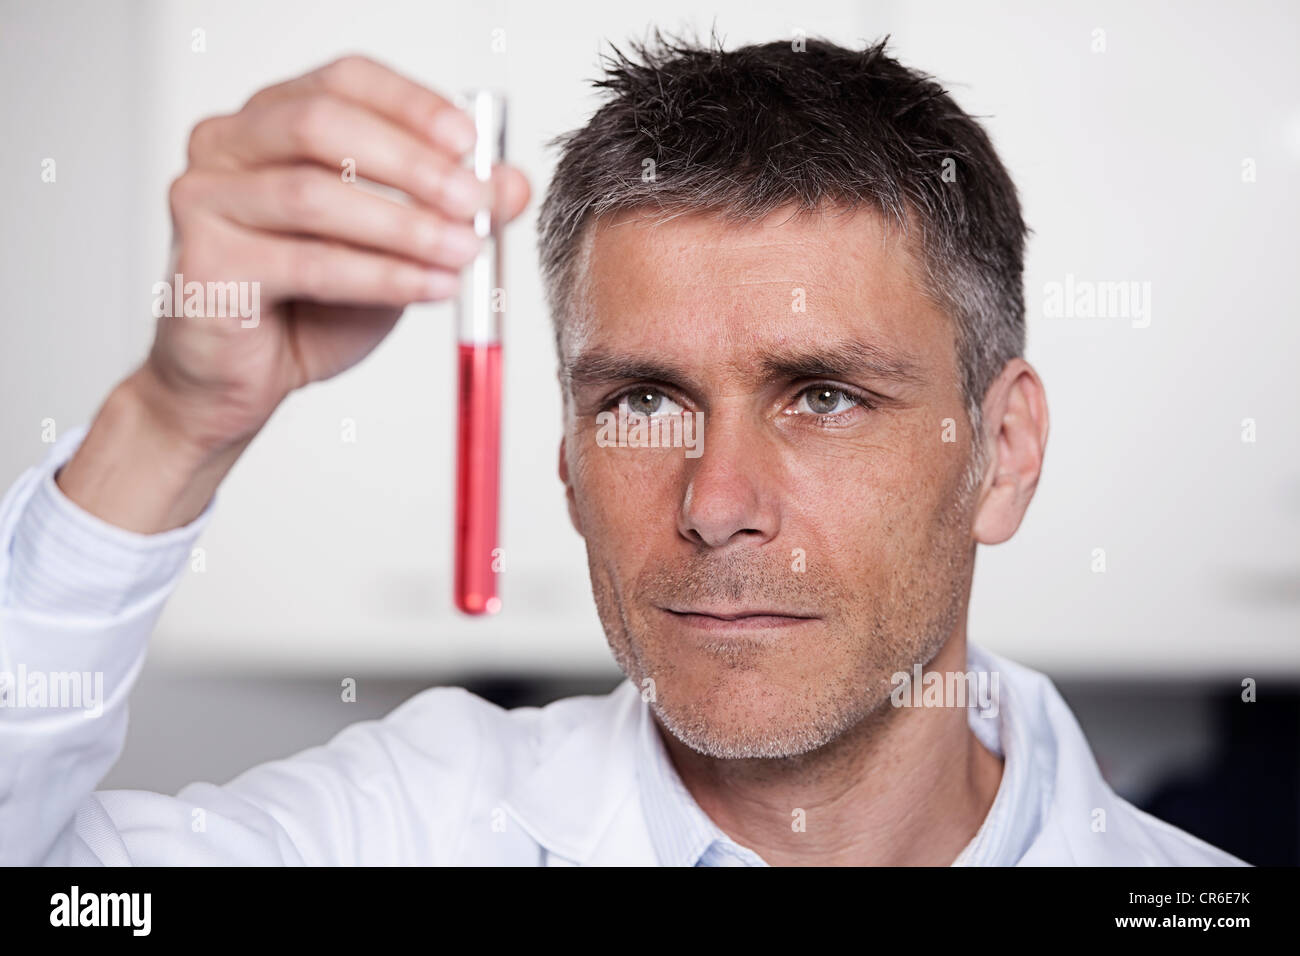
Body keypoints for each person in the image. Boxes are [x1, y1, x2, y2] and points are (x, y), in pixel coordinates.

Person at [0, 34, 1245, 866]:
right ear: (564, 457)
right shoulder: (413, 823)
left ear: (1003, 449)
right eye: (643, 401)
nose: (717, 503)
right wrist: (170, 421)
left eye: (820, 394)